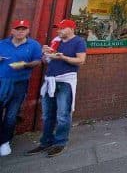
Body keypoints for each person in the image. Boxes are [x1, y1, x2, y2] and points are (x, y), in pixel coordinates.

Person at [27, 19, 86, 157]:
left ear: (72, 29)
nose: (59, 31)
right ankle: (45, 141)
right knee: (47, 114)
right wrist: (45, 53)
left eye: (62, 28)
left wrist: (63, 57)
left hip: (65, 81)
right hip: (50, 80)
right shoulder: (56, 40)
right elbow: (46, 60)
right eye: (58, 28)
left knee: (63, 114)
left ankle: (60, 142)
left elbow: (81, 60)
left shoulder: (79, 42)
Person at [0, 20, 42, 157]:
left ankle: (5, 141)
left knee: (11, 114)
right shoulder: (2, 44)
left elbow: (38, 60)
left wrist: (25, 65)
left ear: (28, 31)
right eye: (18, 29)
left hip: (20, 82)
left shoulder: (34, 45)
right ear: (12, 31)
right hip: (2, 81)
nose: (20, 31)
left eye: (23, 29)